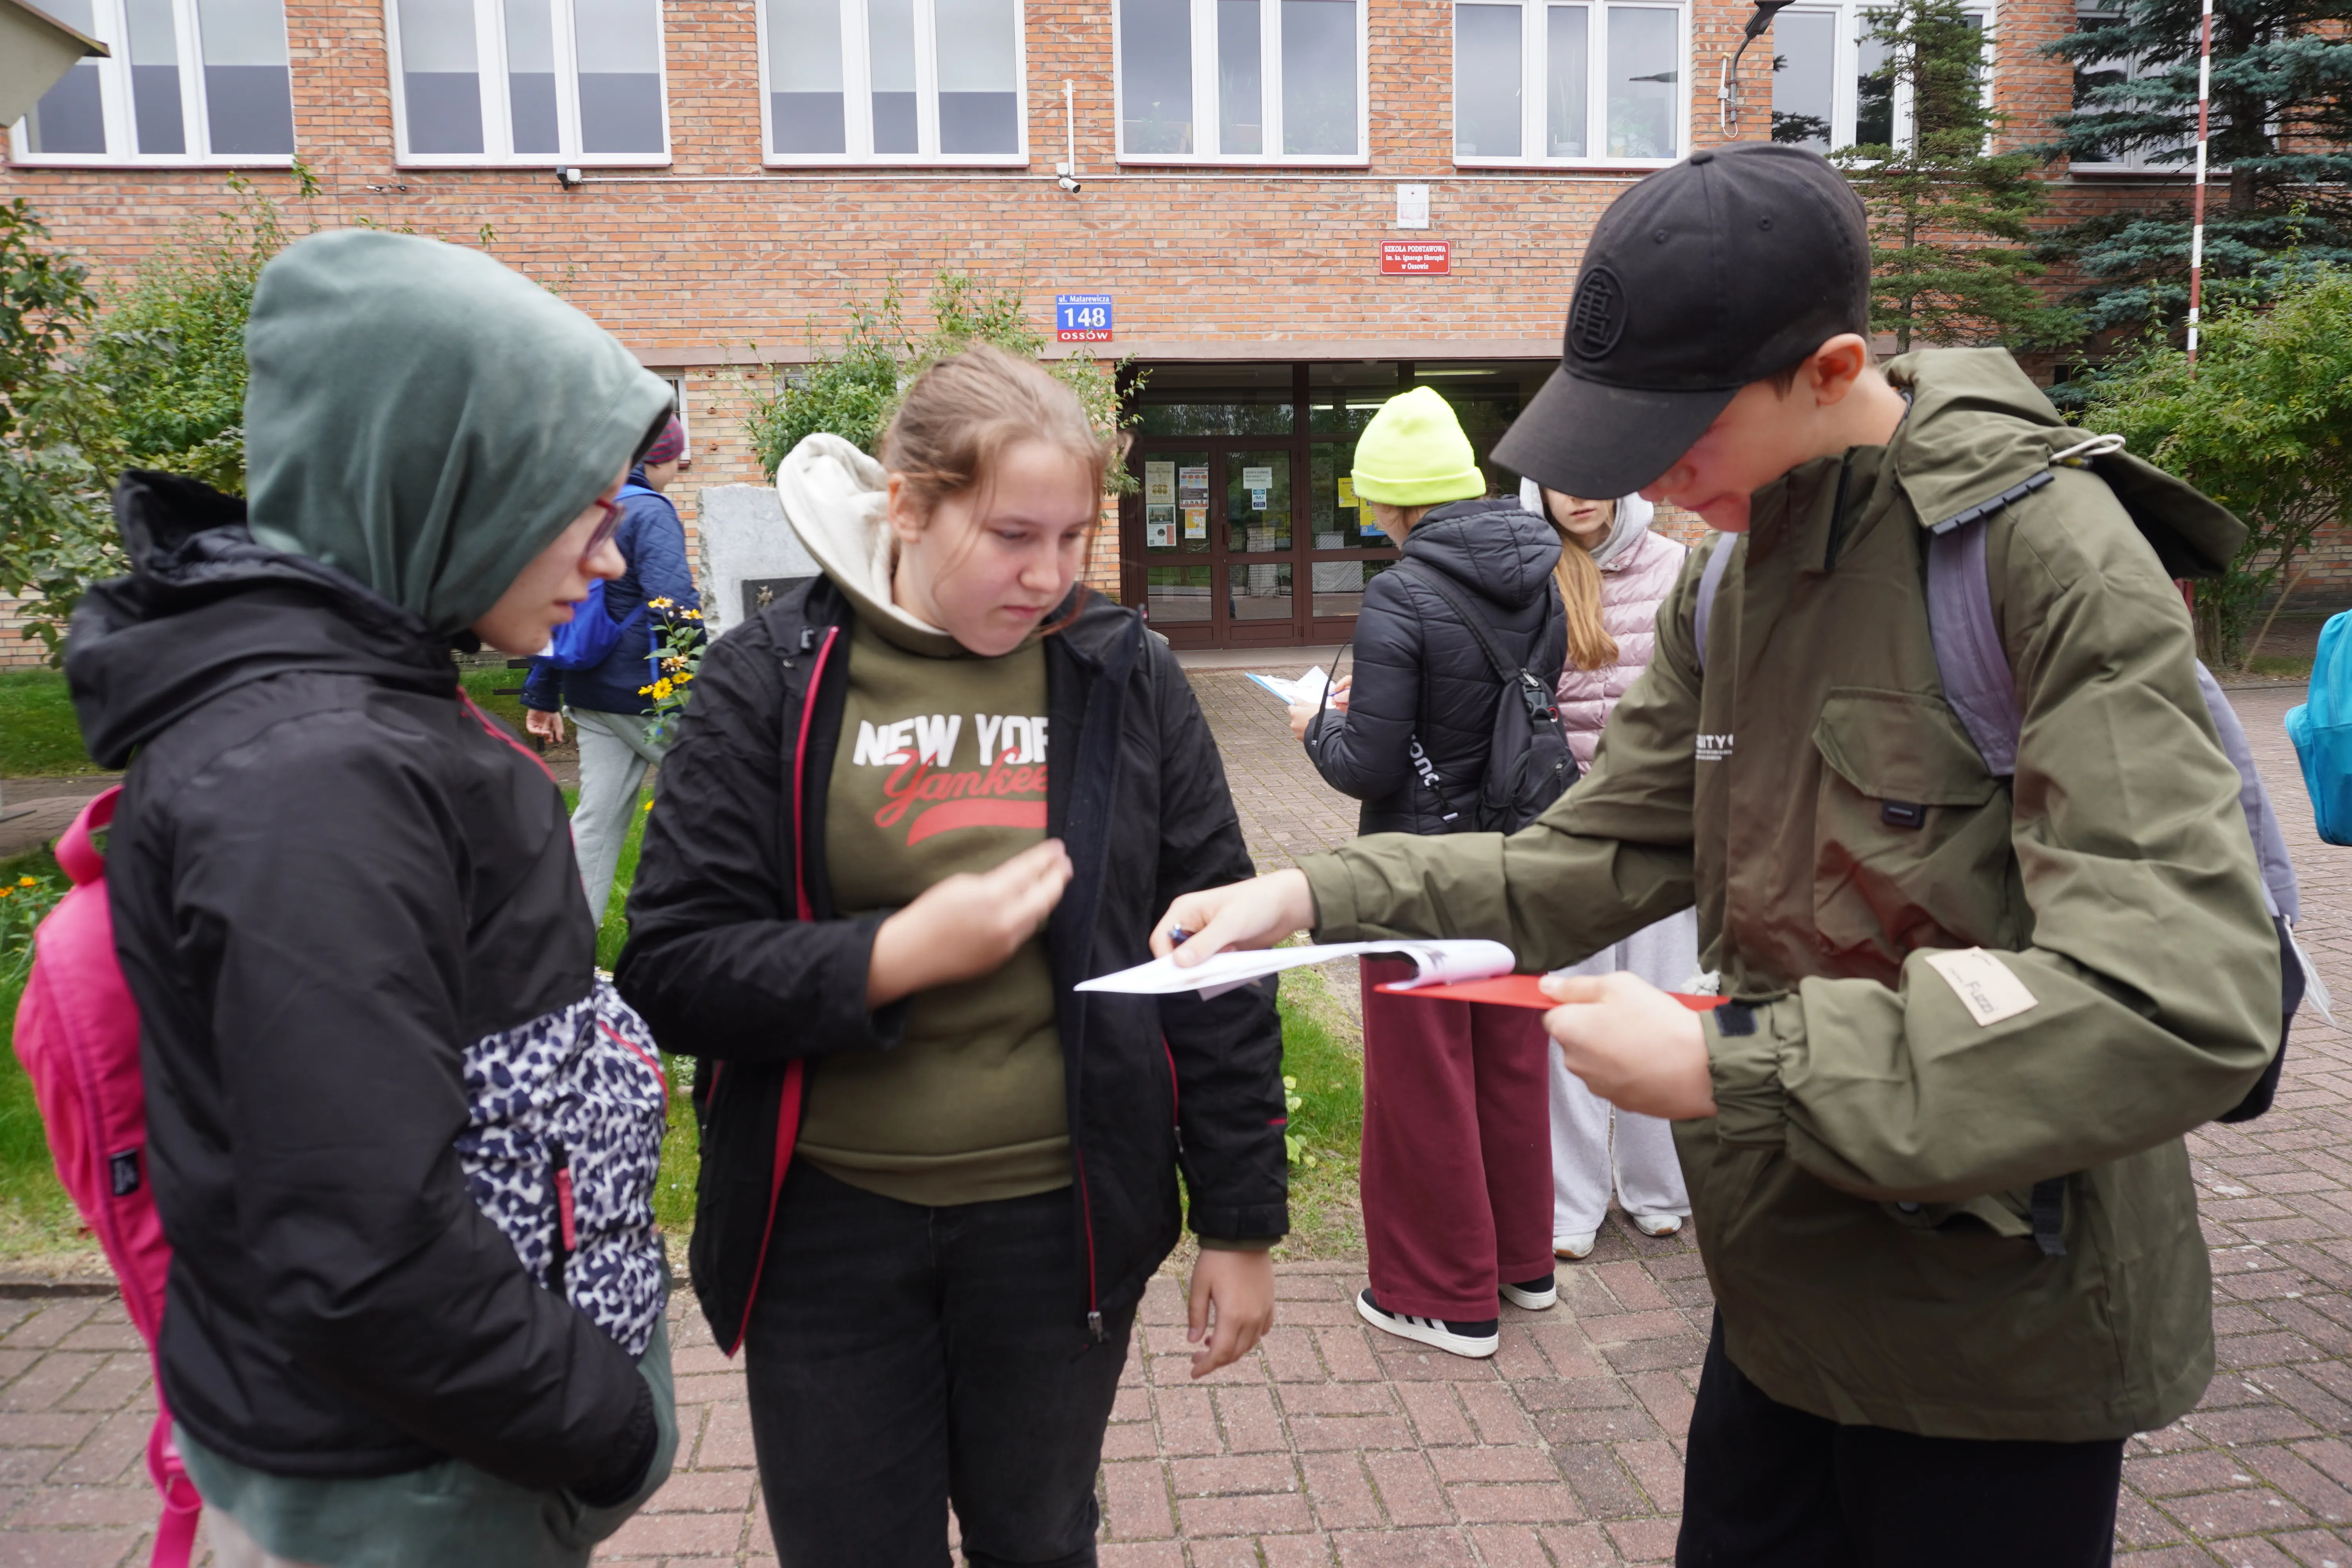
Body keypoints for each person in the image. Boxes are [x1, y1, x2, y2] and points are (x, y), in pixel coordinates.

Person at [1149, 143, 2281, 1568]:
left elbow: (2177, 999)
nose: (1657, 484)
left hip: (2003, 1349)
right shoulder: (1732, 587)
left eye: (1683, 433)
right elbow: (1580, 865)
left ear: (1832, 371)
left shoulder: (2041, 556)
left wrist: (1729, 1060)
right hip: (1782, 1307)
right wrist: (1313, 893)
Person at [63, 229, 681, 1568]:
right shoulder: (312, 775)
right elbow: (361, 1240)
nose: (614, 556)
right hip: (409, 1478)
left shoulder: (360, 708)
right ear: (455, 485)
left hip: (435, 1452)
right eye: (584, 507)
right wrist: (607, 1426)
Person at [614, 344, 1288, 1566]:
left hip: (1060, 1227)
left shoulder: (1123, 673)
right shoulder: (772, 676)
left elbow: (1217, 948)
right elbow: (670, 965)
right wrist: (892, 957)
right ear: (909, 508)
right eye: (1013, 535)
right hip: (827, 1230)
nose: (1051, 575)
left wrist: (1240, 1226)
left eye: (1076, 536)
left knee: (1038, 1540)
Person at [1286, 386, 1564, 1358]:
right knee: (1509, 1056)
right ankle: (1526, 1261)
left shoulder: (1399, 592)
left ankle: (1442, 1294)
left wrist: (1314, 724)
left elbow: (1366, 763)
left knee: (1424, 1079)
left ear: (1397, 504)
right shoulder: (1542, 575)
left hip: (1414, 864)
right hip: (1516, 850)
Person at [1521, 482, 1697, 1261]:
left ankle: (1660, 1188)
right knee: (1573, 1021)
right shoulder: (1529, 569)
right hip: (1571, 835)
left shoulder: (1678, 568)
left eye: (1596, 478)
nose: (1578, 496)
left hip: (1663, 832)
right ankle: (1568, 1202)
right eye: (1561, 480)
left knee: (1670, 1009)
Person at [522, 413, 701, 925]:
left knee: (597, 824)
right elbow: (676, 604)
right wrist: (704, 690)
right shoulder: (651, 512)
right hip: (645, 697)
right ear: (661, 459)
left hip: (589, 694)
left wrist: (543, 694)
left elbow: (559, 609)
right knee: (738, 788)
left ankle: (562, 951)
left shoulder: (589, 512)